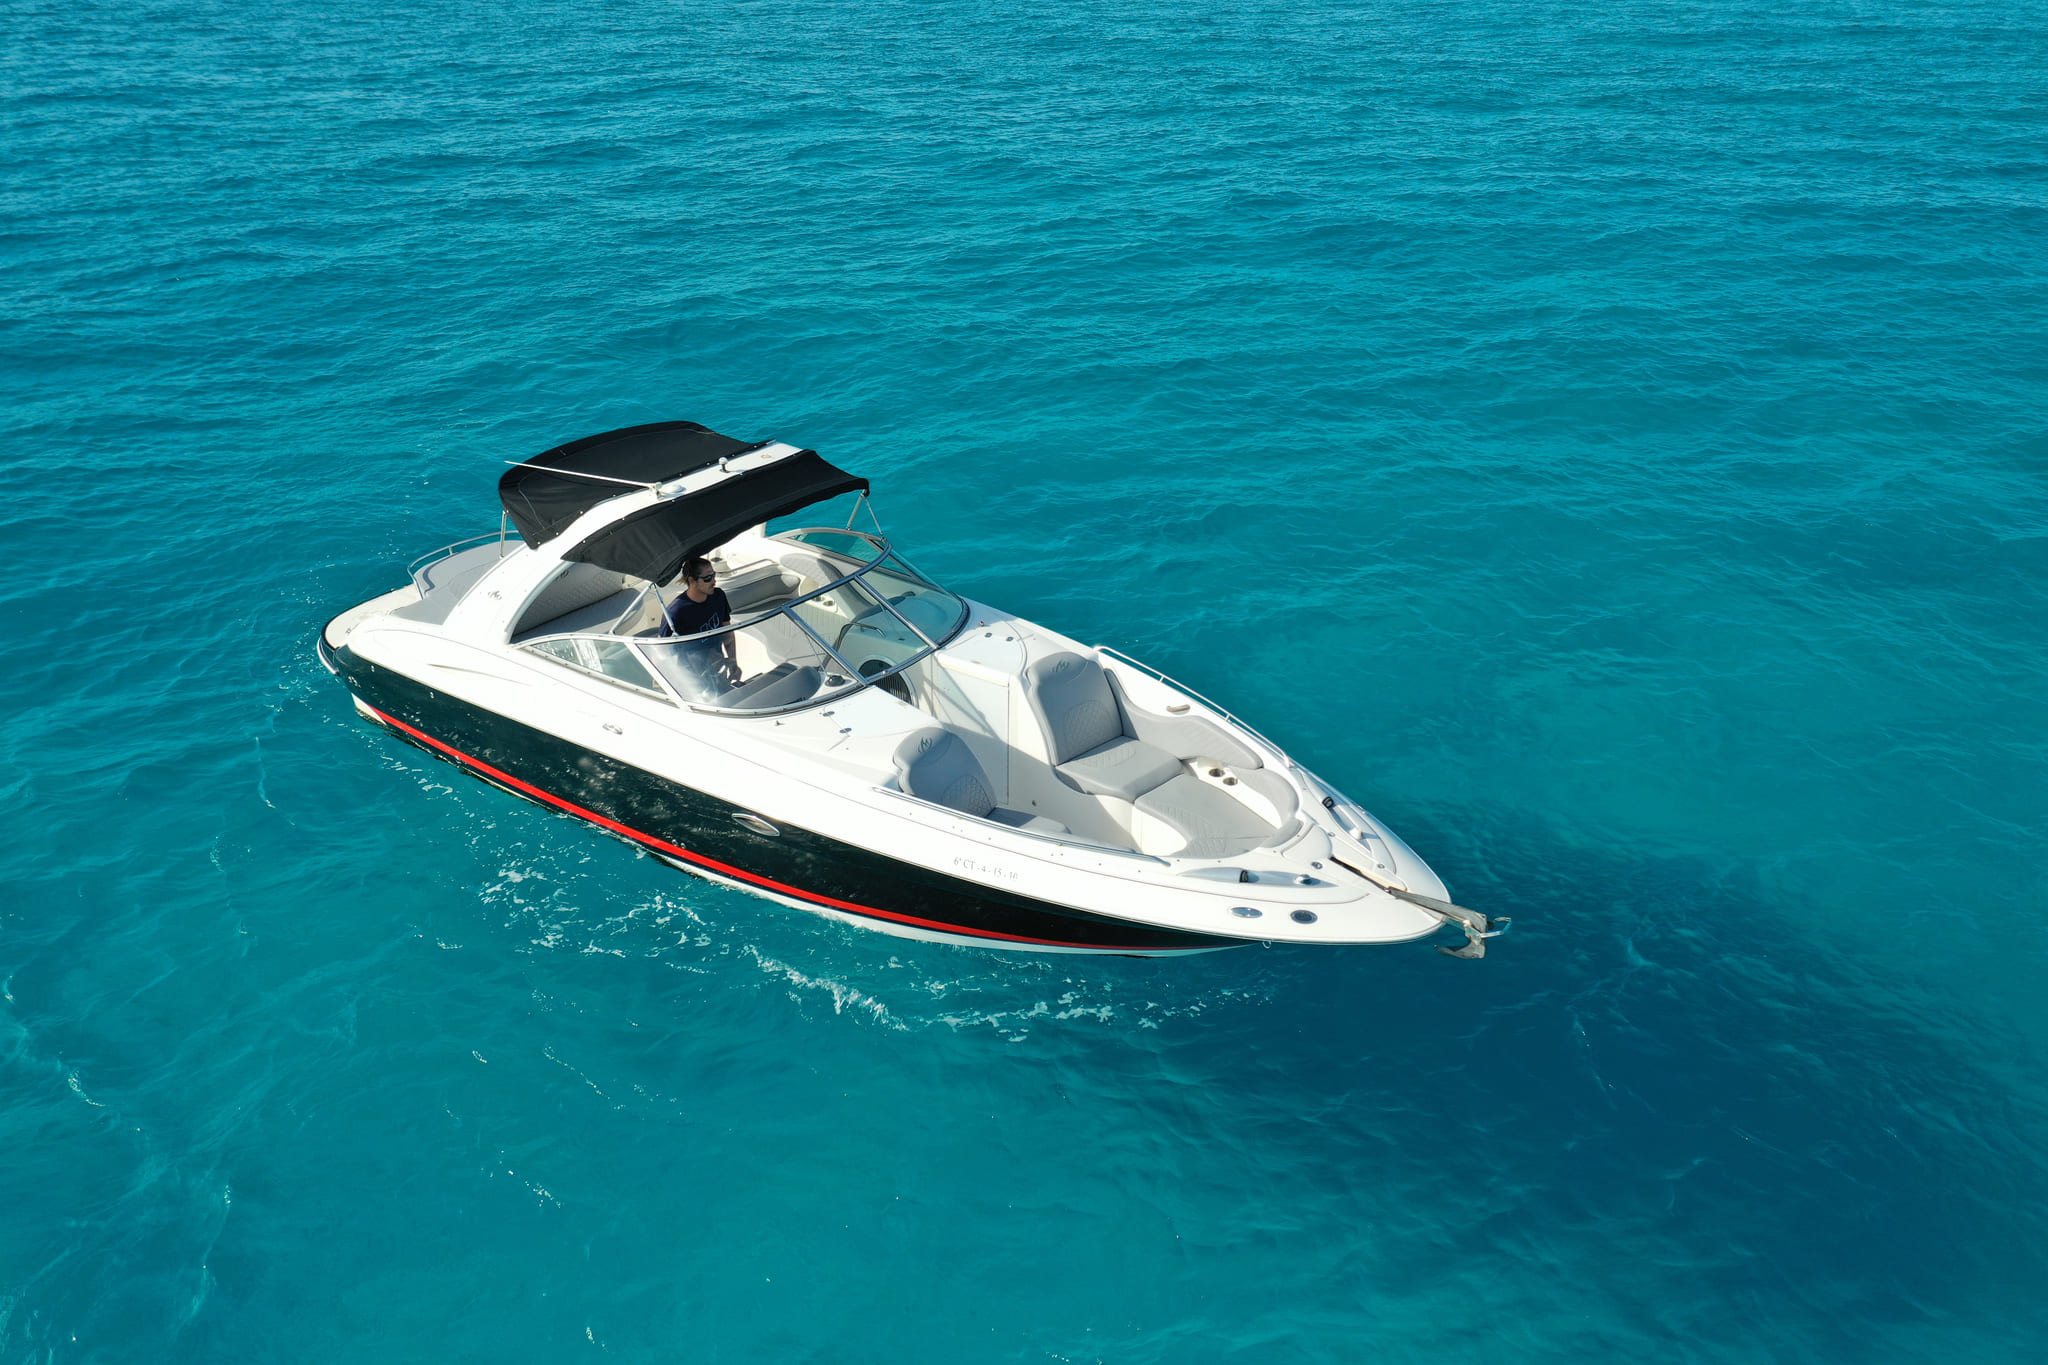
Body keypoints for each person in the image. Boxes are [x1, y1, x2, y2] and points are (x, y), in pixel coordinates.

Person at [657, 556, 740, 694]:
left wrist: (733, 663)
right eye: (708, 578)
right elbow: (661, 653)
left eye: (714, 575)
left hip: (717, 669)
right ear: (692, 581)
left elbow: (728, 634)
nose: (714, 581)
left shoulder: (718, 596)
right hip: (692, 680)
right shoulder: (675, 612)